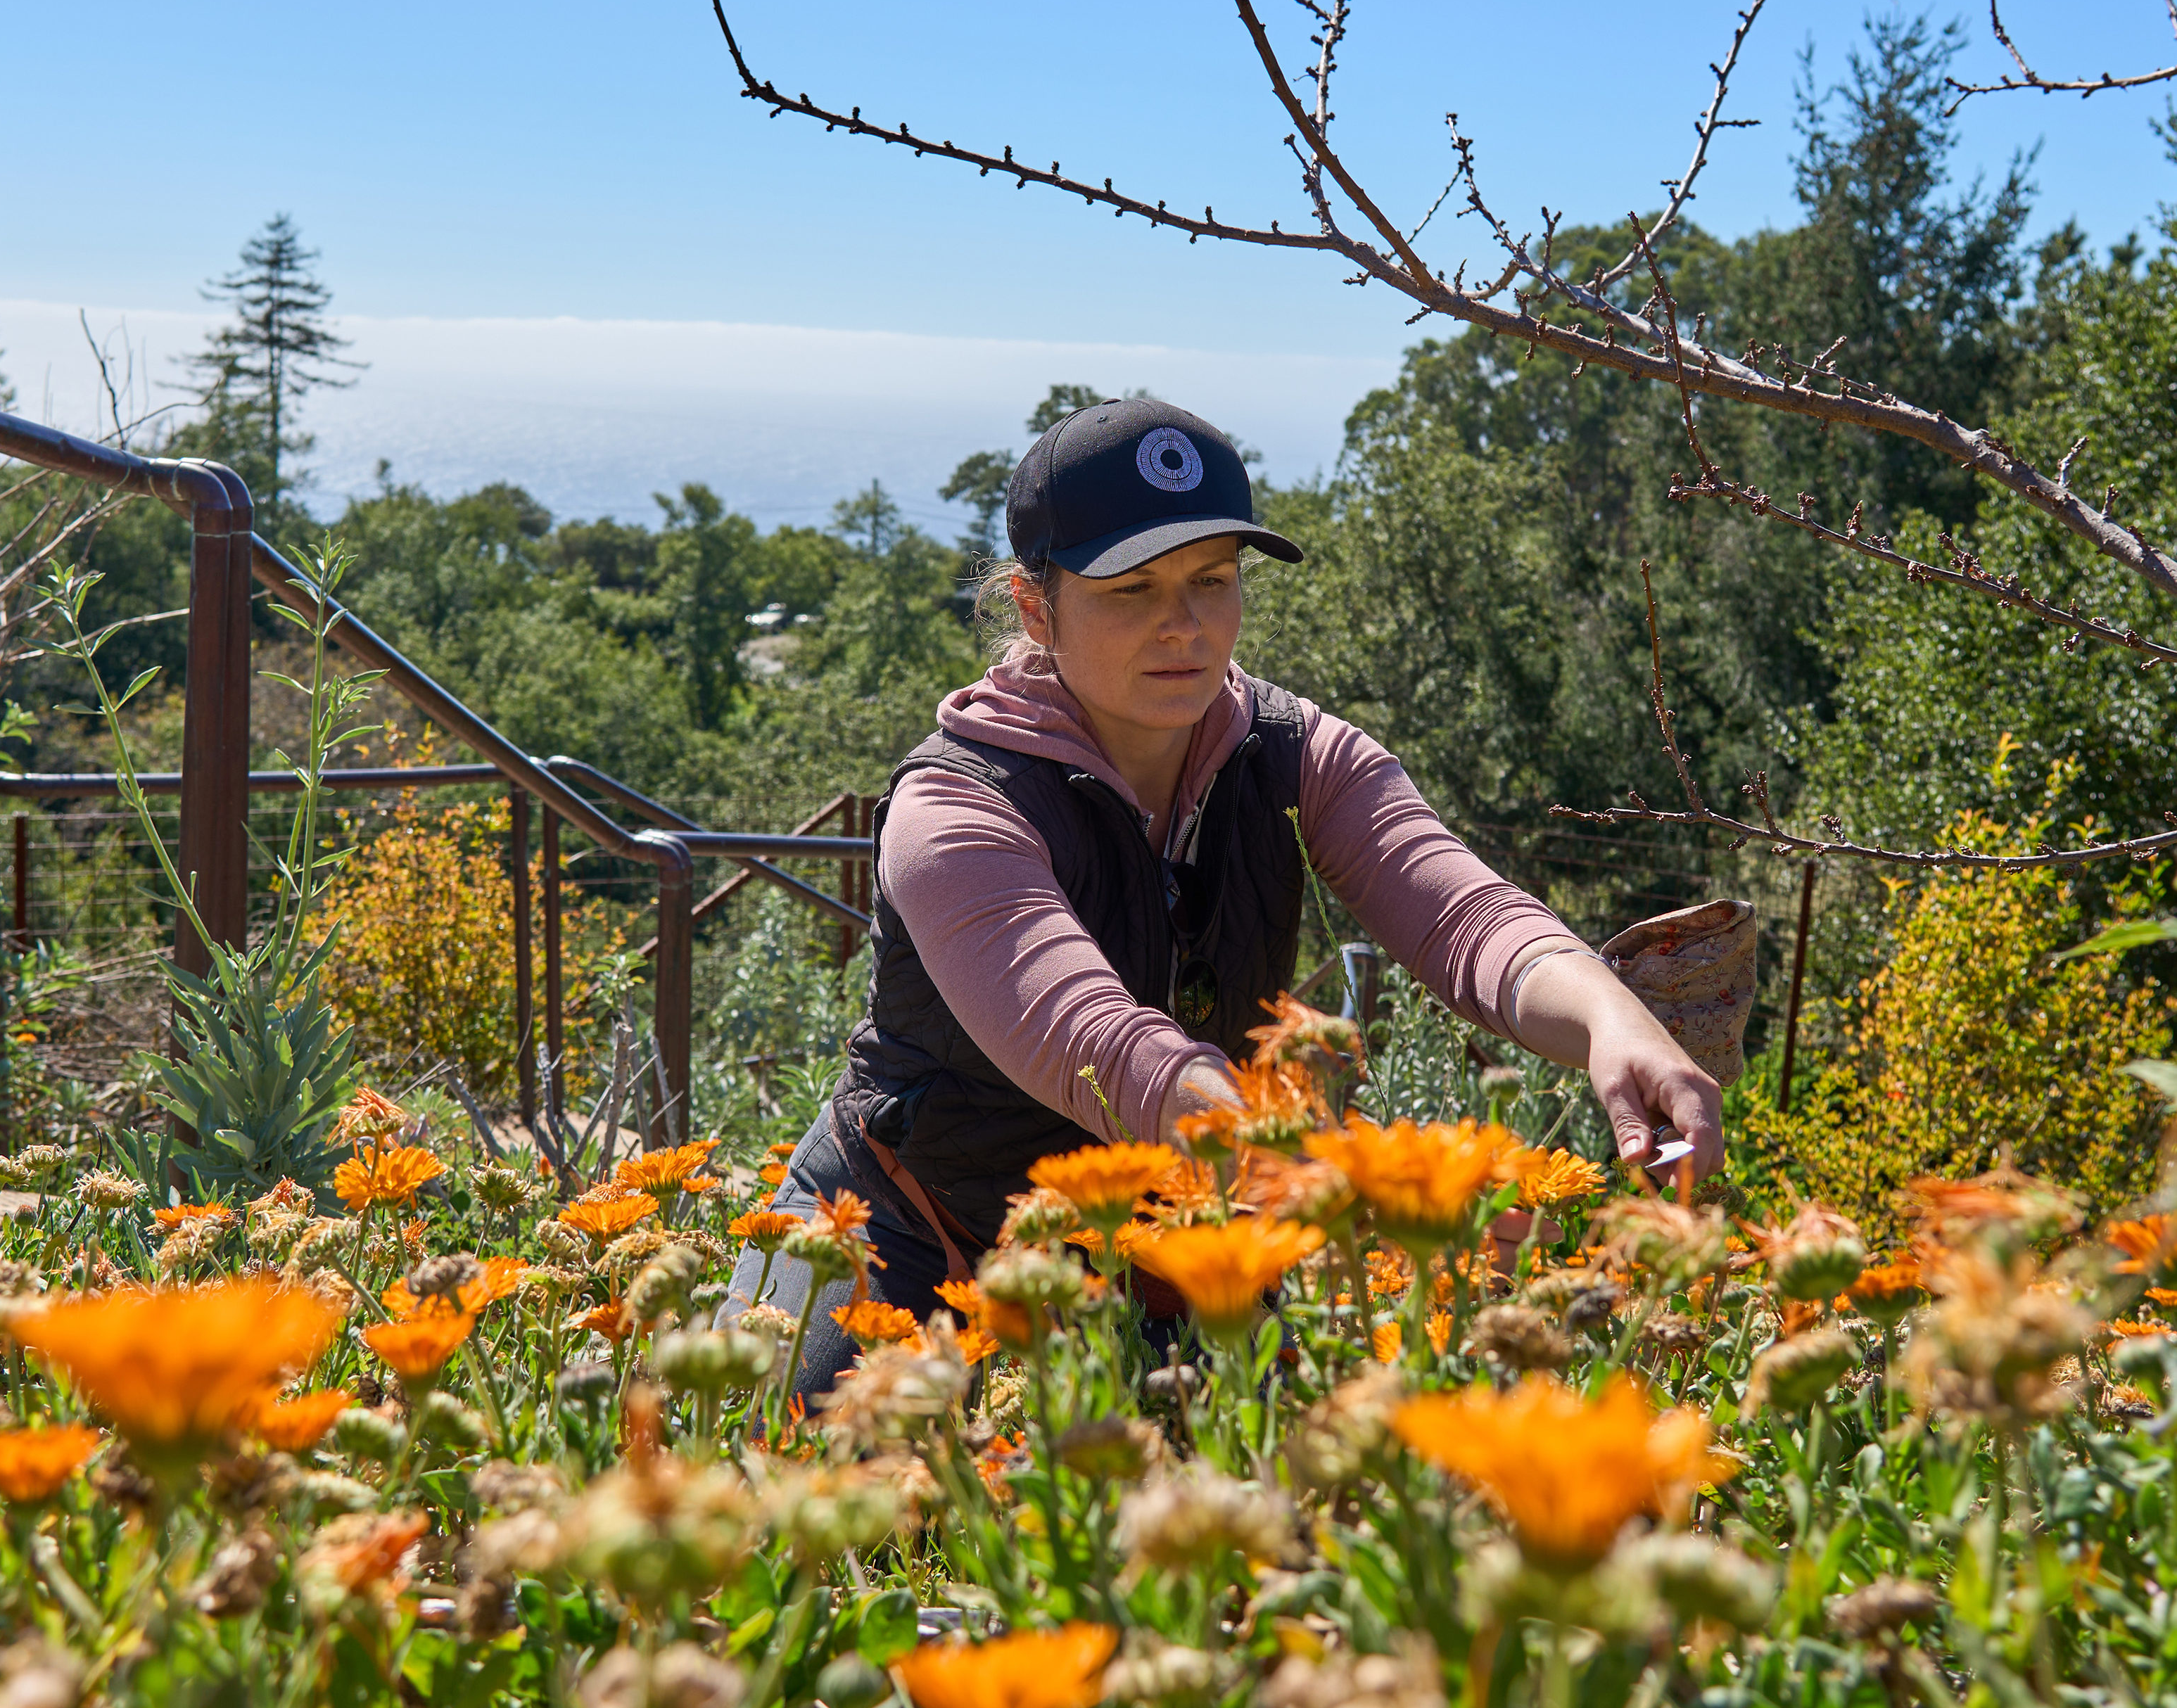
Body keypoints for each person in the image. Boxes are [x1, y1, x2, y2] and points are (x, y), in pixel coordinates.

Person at [723, 396, 1723, 1391]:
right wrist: (1362, 1180)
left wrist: (1608, 1016)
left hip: (1171, 1259)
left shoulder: (1294, 753)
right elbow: (1105, 1050)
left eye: (1213, 580)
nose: (1183, 625)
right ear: (1038, 607)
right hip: (905, 1231)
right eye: (1132, 589)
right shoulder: (956, 807)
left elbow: (1465, 916)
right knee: (782, 1483)